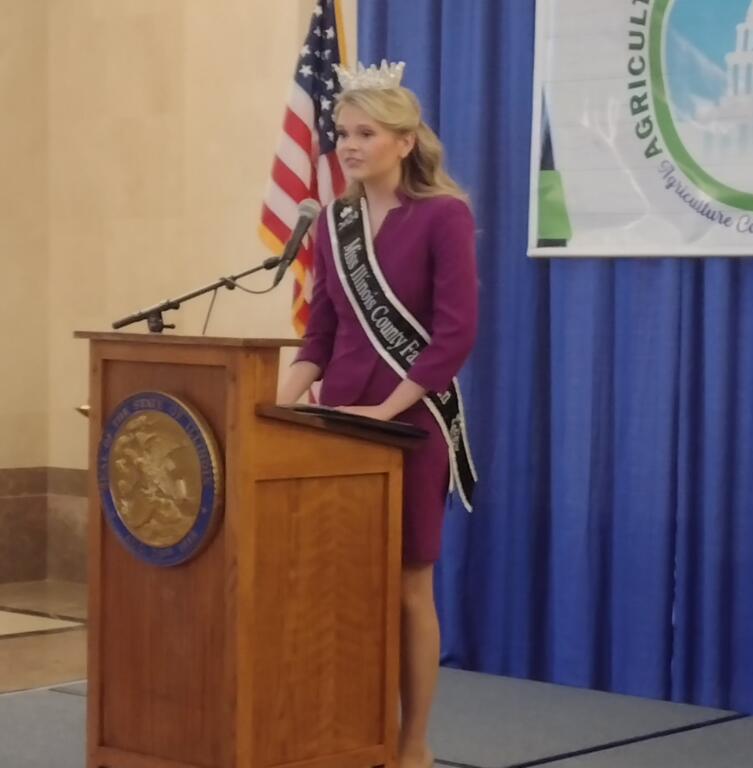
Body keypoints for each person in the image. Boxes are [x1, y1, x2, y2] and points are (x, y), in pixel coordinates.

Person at [278, 60, 478, 768]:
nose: (349, 145)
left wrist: (385, 410)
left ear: (403, 140)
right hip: (341, 426)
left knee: (406, 588)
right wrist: (283, 396)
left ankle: (412, 742)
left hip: (409, 424)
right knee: (341, 584)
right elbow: (322, 333)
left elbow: (454, 333)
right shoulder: (333, 224)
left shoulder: (444, 216)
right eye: (342, 133)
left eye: (365, 132)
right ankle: (343, 732)